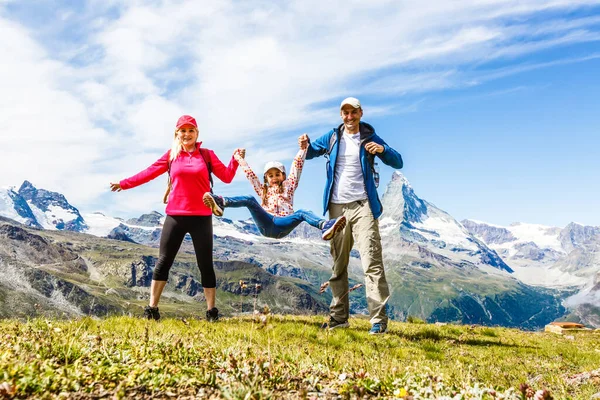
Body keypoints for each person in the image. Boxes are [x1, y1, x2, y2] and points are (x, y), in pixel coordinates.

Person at [110, 115, 241, 322]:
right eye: (183, 130)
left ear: (197, 134)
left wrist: (234, 160)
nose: (186, 134)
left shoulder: (207, 155)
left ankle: (211, 312)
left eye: (191, 130)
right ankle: (152, 309)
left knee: (205, 264)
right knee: (164, 262)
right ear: (177, 134)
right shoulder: (171, 155)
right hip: (175, 216)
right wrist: (124, 183)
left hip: (201, 217)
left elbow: (226, 176)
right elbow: (149, 172)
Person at [300, 97, 403, 334]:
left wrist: (383, 150)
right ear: (341, 115)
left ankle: (378, 321)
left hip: (363, 206)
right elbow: (309, 153)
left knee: (372, 262)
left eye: (353, 112)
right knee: (339, 264)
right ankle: (339, 318)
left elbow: (398, 161)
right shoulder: (333, 137)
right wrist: (304, 144)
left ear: (361, 113)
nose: (349, 117)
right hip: (336, 208)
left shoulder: (370, 137)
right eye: (345, 113)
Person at [202, 141, 346, 240]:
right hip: (266, 223)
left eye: (277, 174)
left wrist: (303, 149)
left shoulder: (289, 187)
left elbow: (297, 166)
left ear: (283, 175)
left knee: (302, 212)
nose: (274, 178)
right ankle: (221, 202)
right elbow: (250, 174)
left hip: (282, 224)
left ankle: (324, 225)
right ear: (266, 178)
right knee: (249, 199)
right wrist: (239, 159)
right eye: (270, 176)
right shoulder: (262, 190)